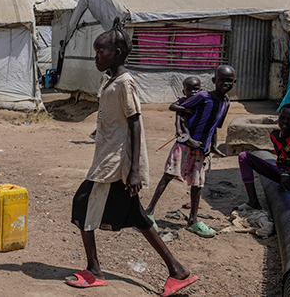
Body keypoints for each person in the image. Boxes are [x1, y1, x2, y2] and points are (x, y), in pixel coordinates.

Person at [68, 24, 197, 296]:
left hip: (117, 163)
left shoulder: (126, 83)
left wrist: (135, 170)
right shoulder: (110, 80)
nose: (96, 57)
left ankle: (94, 270)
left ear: (115, 53)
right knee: (137, 216)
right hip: (108, 158)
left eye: (100, 52)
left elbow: (135, 123)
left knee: (83, 204)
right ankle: (177, 270)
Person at [145, 65, 235, 238]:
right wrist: (187, 118)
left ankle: (193, 220)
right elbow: (179, 109)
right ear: (213, 80)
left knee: (197, 183)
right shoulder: (202, 96)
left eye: (229, 80)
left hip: (202, 149)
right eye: (222, 79)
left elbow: (215, 126)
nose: (225, 83)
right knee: (168, 175)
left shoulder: (226, 102)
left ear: (234, 82)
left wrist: (213, 146)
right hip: (185, 145)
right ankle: (148, 212)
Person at [238, 103, 290, 209]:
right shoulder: (274, 135)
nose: (285, 121)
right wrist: (283, 174)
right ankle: (253, 201)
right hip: (280, 171)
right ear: (278, 119)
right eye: (282, 118)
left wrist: (287, 174)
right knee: (244, 156)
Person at [171, 77, 202, 149]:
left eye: (196, 89)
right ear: (184, 92)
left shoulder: (202, 100)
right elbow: (172, 107)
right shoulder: (184, 101)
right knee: (184, 120)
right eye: (189, 90)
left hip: (196, 123)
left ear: (201, 90)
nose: (193, 92)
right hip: (184, 123)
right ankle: (189, 139)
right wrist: (185, 109)